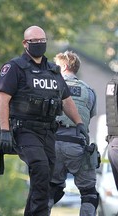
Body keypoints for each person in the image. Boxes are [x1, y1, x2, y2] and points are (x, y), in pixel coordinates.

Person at [0, 26, 88, 216]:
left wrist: (79, 123)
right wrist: (4, 130)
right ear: (25, 43)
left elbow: (66, 100)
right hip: (24, 130)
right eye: (34, 41)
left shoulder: (53, 71)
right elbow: (3, 99)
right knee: (40, 167)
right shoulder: (14, 68)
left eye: (42, 40)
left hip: (47, 131)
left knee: (47, 177)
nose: (39, 44)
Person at [48, 51, 99, 215]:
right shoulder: (89, 91)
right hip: (78, 146)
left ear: (64, 66)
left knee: (49, 190)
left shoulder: (52, 86)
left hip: (53, 145)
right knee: (89, 193)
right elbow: (88, 116)